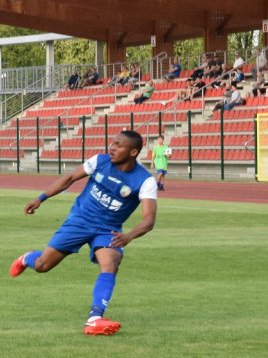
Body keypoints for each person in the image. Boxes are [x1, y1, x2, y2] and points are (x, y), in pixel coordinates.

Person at [10, 130, 158, 335]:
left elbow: (149, 219)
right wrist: (40, 198)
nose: (112, 148)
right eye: (113, 143)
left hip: (108, 229)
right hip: (79, 221)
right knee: (43, 265)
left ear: (133, 152)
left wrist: (128, 236)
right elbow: (70, 177)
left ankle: (95, 318)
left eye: (118, 145)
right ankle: (28, 258)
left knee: (111, 263)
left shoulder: (144, 181)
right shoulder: (100, 161)